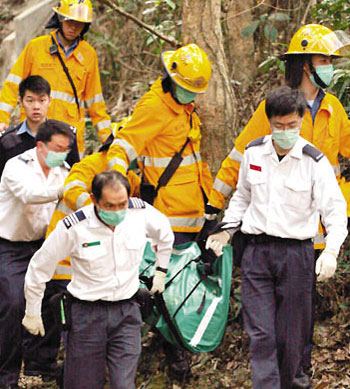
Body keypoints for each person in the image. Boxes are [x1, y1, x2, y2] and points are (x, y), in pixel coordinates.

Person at [204, 23, 350, 387]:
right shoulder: (272, 110)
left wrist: (337, 233)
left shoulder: (333, 109)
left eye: (332, 59)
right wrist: (216, 213)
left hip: (311, 239)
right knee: (265, 333)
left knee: (296, 333)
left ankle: (294, 379)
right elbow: (241, 162)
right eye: (324, 59)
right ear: (305, 64)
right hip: (266, 239)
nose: (331, 65)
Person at [106, 43, 214, 376]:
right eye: (185, 87)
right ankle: (171, 357)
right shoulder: (154, 106)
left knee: (178, 287)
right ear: (170, 78)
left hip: (194, 212)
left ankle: (170, 348)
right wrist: (113, 183)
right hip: (168, 216)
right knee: (165, 289)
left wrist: (211, 206)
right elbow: (124, 145)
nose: (188, 93)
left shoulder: (186, 107)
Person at [23, 170, 174, 389]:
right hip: (87, 316)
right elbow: (40, 266)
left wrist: (161, 270)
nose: (117, 211)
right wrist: (33, 311)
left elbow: (165, 235)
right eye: (109, 206)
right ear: (94, 200)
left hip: (127, 313)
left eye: (122, 204)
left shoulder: (140, 213)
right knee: (84, 384)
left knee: (124, 384)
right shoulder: (74, 227)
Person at [0, 120, 73, 388]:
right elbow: (29, 195)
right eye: (58, 148)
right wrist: (63, 191)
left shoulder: (63, 171)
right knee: (13, 304)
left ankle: (40, 361)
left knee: (55, 297)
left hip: (45, 243)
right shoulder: (17, 166)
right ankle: (6, 374)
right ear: (40, 146)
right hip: (11, 245)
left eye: (67, 149)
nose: (63, 153)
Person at [0, 0, 111, 155]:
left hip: (68, 139)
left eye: (79, 23)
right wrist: (2, 120)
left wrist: (108, 140)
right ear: (60, 19)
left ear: (85, 26)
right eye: (69, 21)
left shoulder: (88, 55)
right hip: (34, 133)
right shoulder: (36, 47)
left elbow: (96, 103)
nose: (73, 27)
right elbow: (13, 84)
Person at [0, 75, 79, 177]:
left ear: (49, 100)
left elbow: (74, 176)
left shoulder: (65, 135)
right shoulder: (8, 140)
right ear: (21, 102)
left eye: (42, 100)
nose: (36, 107)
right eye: (30, 101)